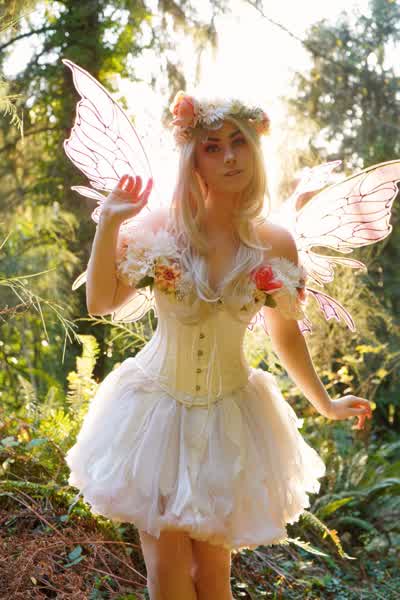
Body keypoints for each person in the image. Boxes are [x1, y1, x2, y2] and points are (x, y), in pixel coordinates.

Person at [65, 92, 372, 600]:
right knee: (166, 569)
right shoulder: (160, 227)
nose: (230, 156)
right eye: (213, 146)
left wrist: (325, 403)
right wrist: (109, 223)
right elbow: (100, 301)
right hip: (155, 413)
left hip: (229, 418)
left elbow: (285, 334)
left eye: (239, 143)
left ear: (255, 149)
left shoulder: (275, 242)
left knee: (212, 574)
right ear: (194, 158)